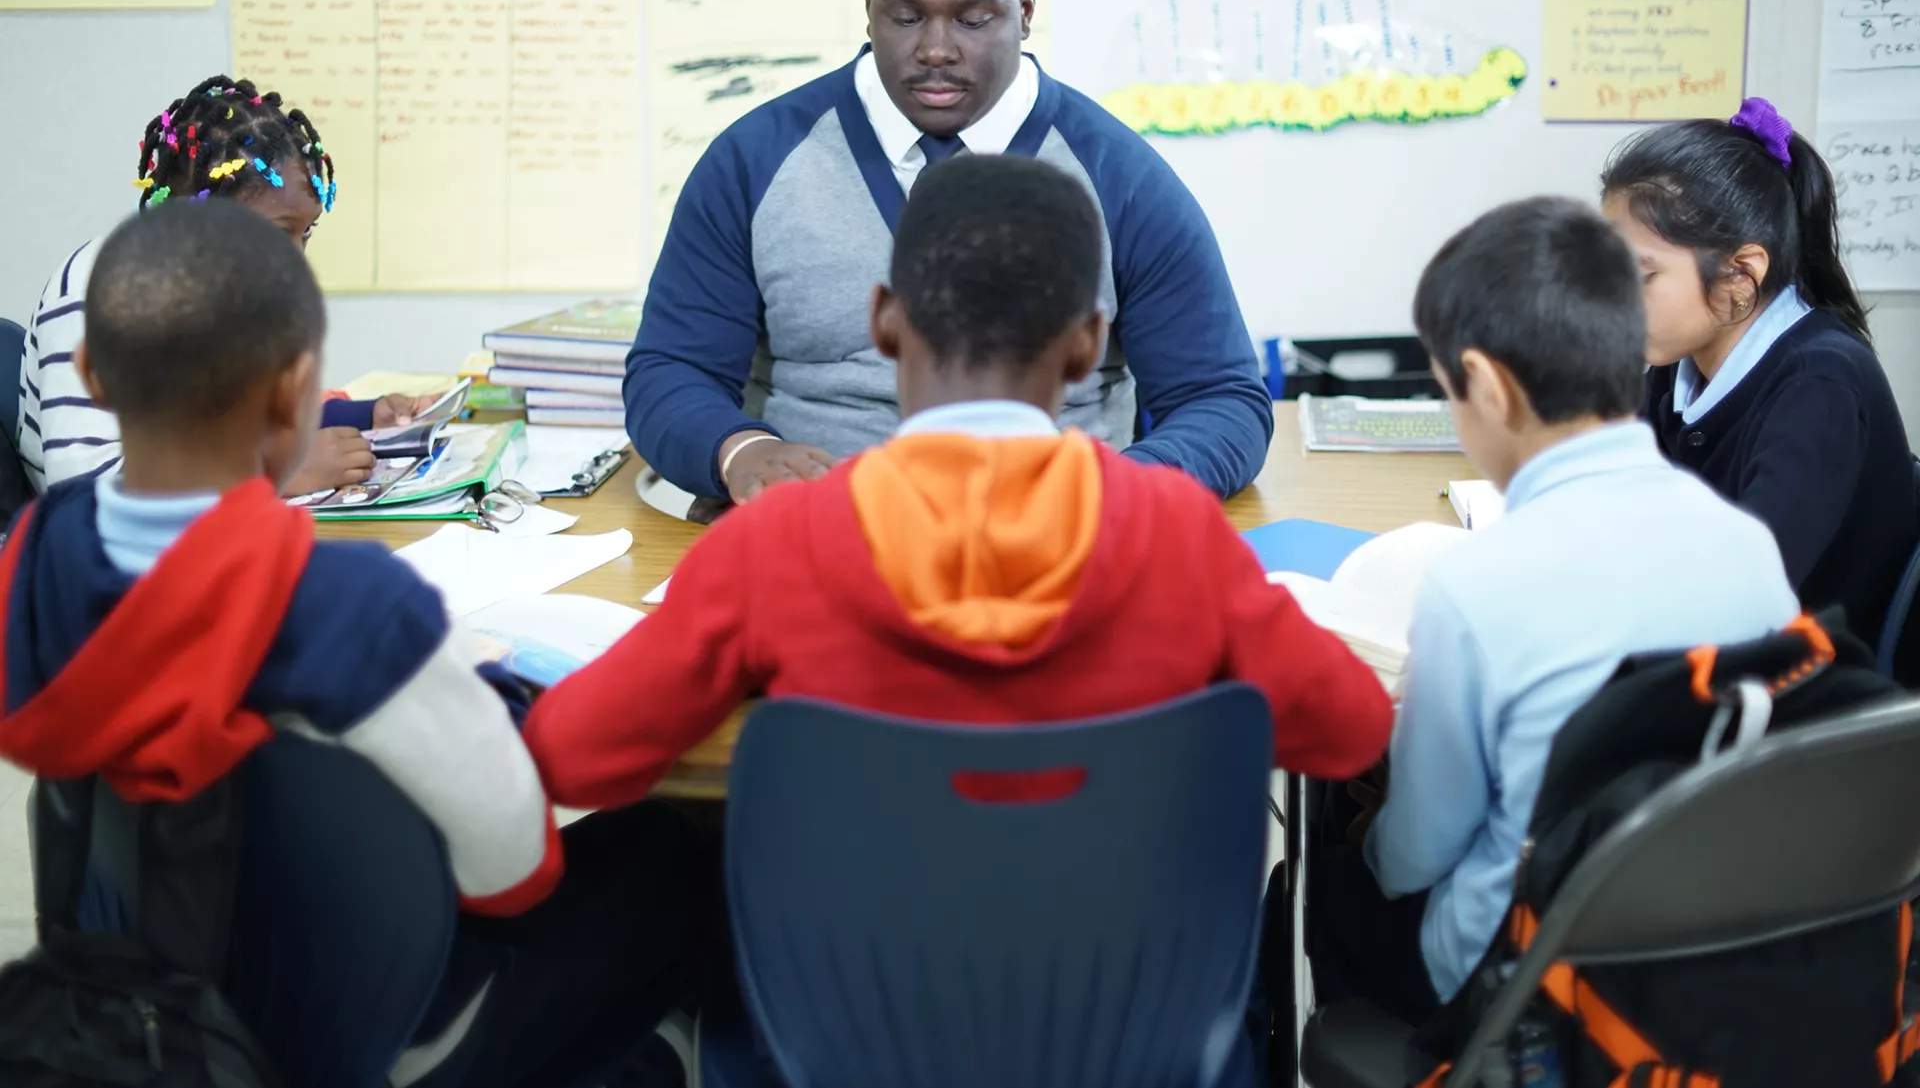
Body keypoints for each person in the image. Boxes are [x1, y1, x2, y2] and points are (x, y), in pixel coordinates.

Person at [0, 200, 701, 1088]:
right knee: (663, 853)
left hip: (136, 1013)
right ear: (298, 391)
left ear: (92, 374)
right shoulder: (354, 612)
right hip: (376, 1042)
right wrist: (464, 692)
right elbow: (512, 868)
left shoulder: (35, 560)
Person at [528, 153, 1390, 807]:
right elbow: (1351, 729)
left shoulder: (773, 545)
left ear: (883, 322)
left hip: (841, 1030)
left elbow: (572, 755)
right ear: (1089, 342)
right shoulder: (1176, 533)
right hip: (1134, 1031)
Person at [625, 0, 1272, 508]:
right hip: (819, 541)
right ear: (870, 3)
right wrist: (738, 450)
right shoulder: (752, 160)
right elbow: (669, 372)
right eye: (906, 16)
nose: (936, 49)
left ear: (1023, 10)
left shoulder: (1121, 176)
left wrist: (1119, 493)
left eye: (972, 19)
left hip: (1059, 549)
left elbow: (1221, 400)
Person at [1307, 197, 1798, 1025]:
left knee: (1328, 885)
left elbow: (1417, 856)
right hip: (1718, 946)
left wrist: (1369, 834)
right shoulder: (1746, 542)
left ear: (1490, 389)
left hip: (1535, 978)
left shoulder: (1476, 586)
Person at [16, 75, 438, 497]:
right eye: (278, 233)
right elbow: (79, 490)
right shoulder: (95, 291)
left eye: (306, 233)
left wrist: (366, 415)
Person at [1602, 97, 1916, 663]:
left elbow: (1742, 598)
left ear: (1740, 274)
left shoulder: (1819, 385)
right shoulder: (1680, 362)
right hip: (1710, 655)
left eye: (1641, 276)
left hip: (1805, 687)